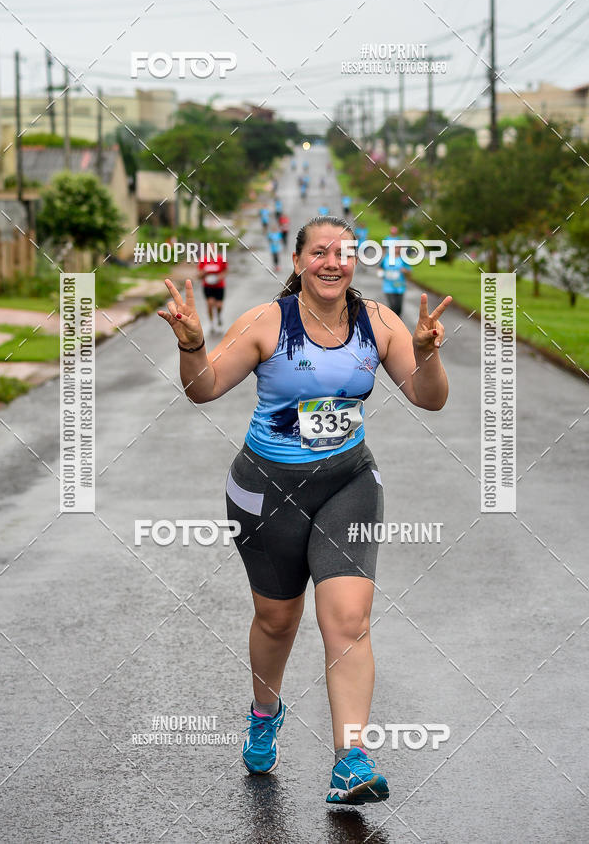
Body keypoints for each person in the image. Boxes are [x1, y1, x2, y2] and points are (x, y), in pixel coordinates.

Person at [158, 216, 451, 805]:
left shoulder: (379, 324)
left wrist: (424, 355)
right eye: (319, 252)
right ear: (298, 263)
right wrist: (192, 345)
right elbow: (205, 388)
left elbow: (429, 398)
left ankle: (351, 759)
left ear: (354, 264)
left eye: (344, 253)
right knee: (277, 619)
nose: (332, 262)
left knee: (347, 618)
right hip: (266, 490)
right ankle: (265, 711)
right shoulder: (267, 322)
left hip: (349, 483)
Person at [197, 245, 227, 333]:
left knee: (219, 305)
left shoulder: (221, 259)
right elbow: (199, 275)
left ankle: (218, 315)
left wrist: (220, 277)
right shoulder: (203, 260)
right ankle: (211, 323)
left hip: (219, 286)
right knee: (210, 304)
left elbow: (225, 271)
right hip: (208, 286)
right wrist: (204, 273)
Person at [380, 230, 410, 317]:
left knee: (399, 308)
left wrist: (405, 271)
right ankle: (393, 326)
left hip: (400, 287)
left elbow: (409, 273)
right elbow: (380, 269)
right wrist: (382, 274)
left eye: (398, 247)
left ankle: (398, 324)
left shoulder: (403, 259)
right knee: (392, 307)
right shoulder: (386, 259)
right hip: (388, 287)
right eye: (395, 247)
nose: (396, 249)